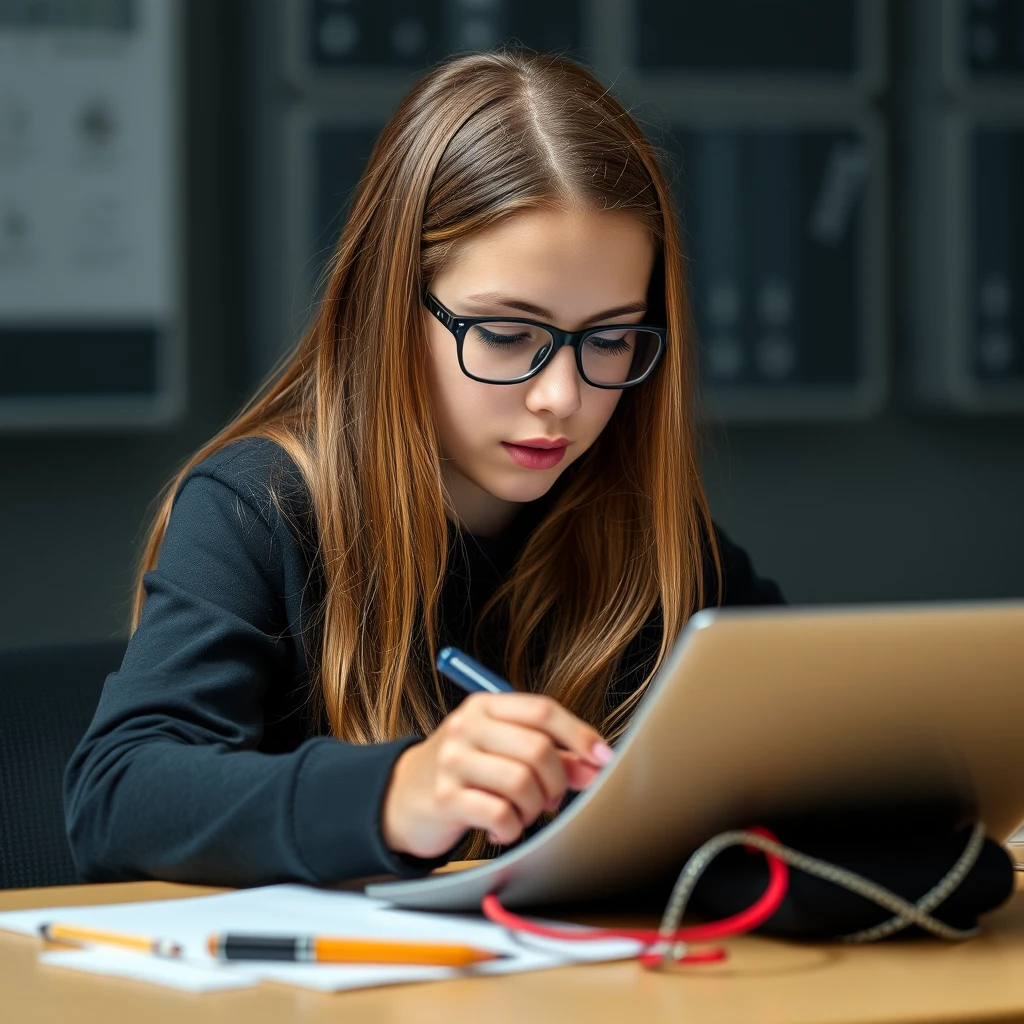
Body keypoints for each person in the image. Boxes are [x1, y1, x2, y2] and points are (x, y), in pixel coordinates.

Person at [64, 49, 783, 887]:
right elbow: (115, 796)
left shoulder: (650, 537)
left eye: (611, 337)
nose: (561, 397)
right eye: (509, 334)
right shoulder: (256, 509)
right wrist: (396, 794)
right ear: (393, 308)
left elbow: (826, 743)